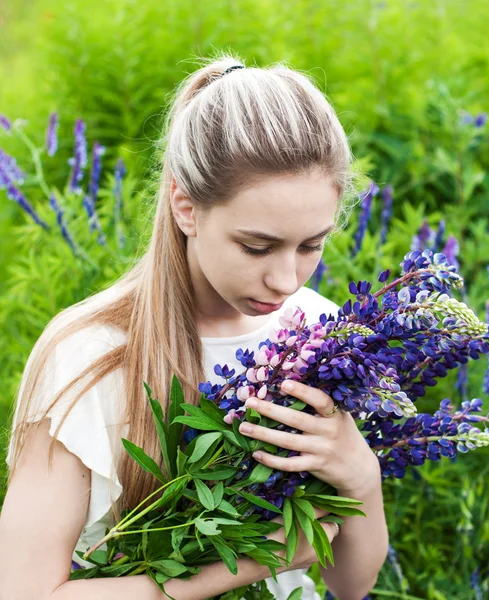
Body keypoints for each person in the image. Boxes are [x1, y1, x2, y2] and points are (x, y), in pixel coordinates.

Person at [0, 52, 389, 600]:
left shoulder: (321, 336)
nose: (285, 279)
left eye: (311, 245)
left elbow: (351, 587)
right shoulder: (90, 355)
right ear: (186, 206)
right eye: (257, 245)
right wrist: (249, 563)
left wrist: (362, 479)